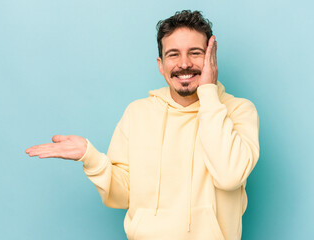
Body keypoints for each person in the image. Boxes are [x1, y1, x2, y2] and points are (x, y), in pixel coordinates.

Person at [26, 10, 259, 240]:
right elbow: (122, 194)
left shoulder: (238, 110)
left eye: (195, 53)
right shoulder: (137, 113)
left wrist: (208, 93)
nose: (184, 63)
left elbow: (229, 177)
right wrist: (91, 157)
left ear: (211, 58)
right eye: (173, 54)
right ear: (161, 64)